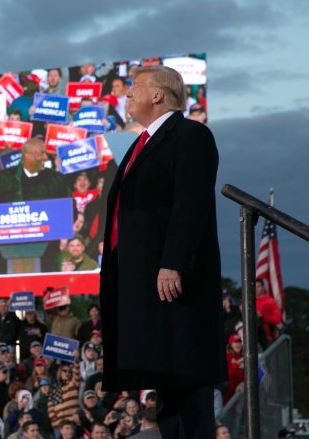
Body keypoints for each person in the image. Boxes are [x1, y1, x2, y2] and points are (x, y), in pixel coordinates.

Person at [99, 65, 225, 438]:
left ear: (158, 94)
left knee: (188, 389)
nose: (127, 94)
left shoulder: (191, 136)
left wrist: (173, 263)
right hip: (142, 288)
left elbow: (191, 204)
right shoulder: (140, 145)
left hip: (172, 286)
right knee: (167, 392)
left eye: (134, 87)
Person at [0, 139, 69, 273]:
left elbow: (69, 210)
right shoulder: (3, 179)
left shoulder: (56, 179)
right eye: (41, 154)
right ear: (27, 155)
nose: (45, 157)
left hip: (47, 256)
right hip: (6, 255)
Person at [255, 278, 283, 346]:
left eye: (258, 286)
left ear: (263, 287)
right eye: (254, 287)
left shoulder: (270, 302)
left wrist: (262, 317)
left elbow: (277, 319)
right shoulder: (248, 302)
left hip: (267, 338)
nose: (256, 288)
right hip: (252, 338)